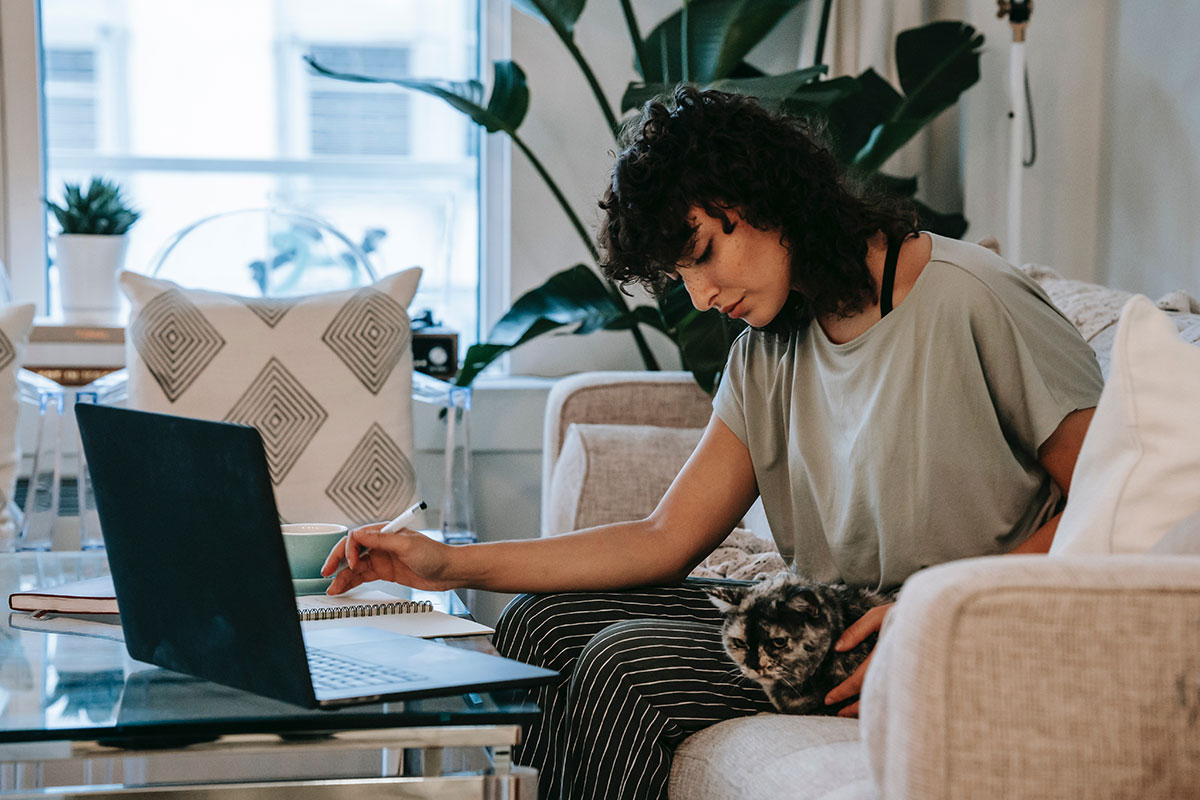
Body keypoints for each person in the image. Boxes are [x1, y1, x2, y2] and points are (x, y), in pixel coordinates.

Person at [321, 86, 1103, 800]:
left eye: (701, 255)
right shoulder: (769, 347)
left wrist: (940, 609)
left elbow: (1111, 499)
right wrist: (445, 563)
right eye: (680, 275)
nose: (700, 296)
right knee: (538, 624)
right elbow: (665, 537)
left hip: (939, 628)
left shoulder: (973, 298)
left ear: (765, 198)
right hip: (817, 617)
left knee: (625, 671)